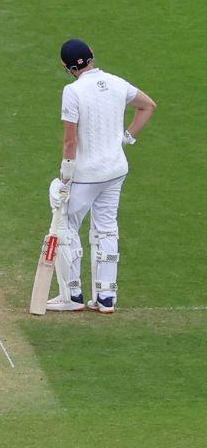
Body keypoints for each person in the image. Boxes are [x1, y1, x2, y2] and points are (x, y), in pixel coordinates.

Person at [47, 39, 157, 314]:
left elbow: (69, 141)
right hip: (115, 170)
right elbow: (148, 106)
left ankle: (72, 295)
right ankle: (105, 297)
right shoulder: (117, 83)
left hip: (85, 174)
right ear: (92, 56)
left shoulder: (72, 91)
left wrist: (65, 176)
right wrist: (126, 137)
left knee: (66, 227)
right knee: (106, 227)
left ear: (66, 66)